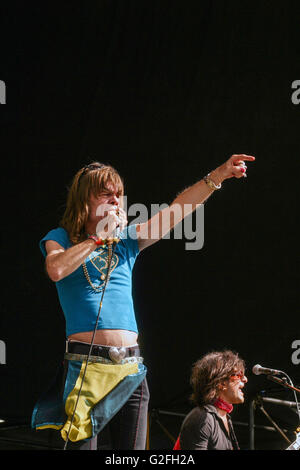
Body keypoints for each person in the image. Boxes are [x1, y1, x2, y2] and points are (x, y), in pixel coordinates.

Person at [31, 154, 255, 450]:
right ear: (85, 199)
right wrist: (97, 239)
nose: (115, 201)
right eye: (106, 194)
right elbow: (56, 269)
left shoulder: (127, 240)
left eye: (119, 195)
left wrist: (219, 175)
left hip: (130, 369)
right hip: (86, 369)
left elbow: (176, 211)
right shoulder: (59, 237)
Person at [174, 350, 248, 450]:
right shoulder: (203, 418)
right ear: (221, 383)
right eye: (238, 375)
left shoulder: (225, 418)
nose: (245, 379)